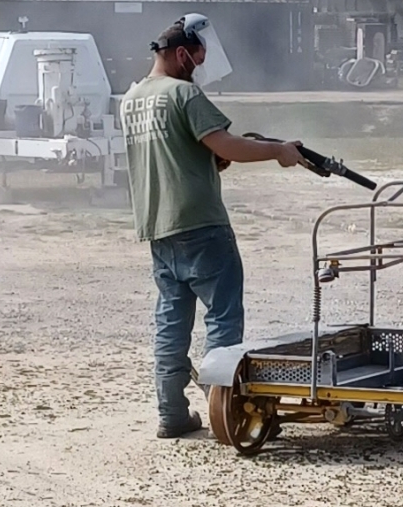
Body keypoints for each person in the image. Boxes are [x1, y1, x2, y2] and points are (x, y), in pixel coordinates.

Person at [120, 14, 304, 439]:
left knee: (171, 321)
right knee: (222, 320)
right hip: (201, 223)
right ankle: (228, 412)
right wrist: (279, 150)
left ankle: (172, 415)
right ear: (181, 53)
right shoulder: (184, 94)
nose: (198, 68)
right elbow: (227, 146)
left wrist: (210, 159)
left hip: (158, 227)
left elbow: (179, 152)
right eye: (197, 59)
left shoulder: (131, 99)